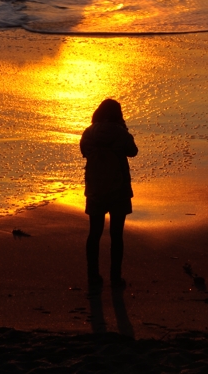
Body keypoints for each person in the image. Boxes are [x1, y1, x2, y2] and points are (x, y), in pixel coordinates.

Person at [79, 98, 138, 291]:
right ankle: (115, 277)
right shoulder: (120, 133)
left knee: (94, 234)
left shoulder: (89, 133)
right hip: (118, 189)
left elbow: (84, 152)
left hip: (95, 188)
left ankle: (92, 275)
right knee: (116, 236)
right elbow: (133, 151)